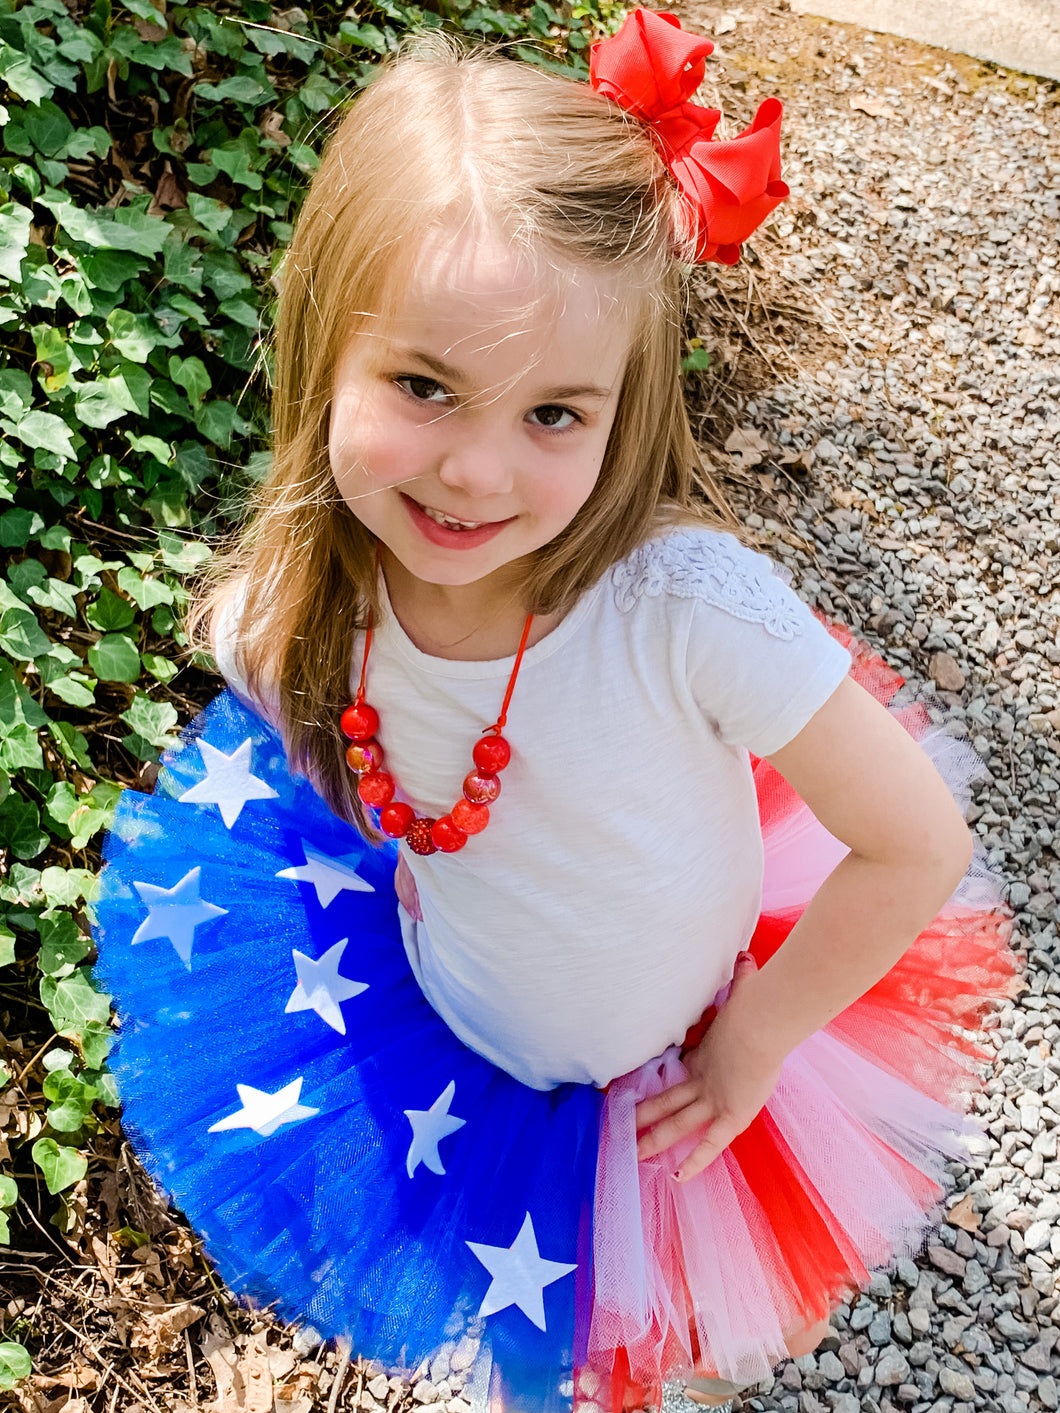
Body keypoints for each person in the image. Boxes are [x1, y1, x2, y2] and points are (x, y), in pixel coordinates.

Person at [93, 10, 1015, 1412]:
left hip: (683, 1045)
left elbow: (919, 843)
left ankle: (671, 1358)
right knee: (528, 1321)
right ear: (319, 349)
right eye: (422, 386)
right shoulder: (294, 608)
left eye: (553, 414)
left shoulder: (683, 611)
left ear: (625, 402)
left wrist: (759, 1035)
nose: (474, 471)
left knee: (672, 1298)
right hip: (460, 1031)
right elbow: (319, 742)